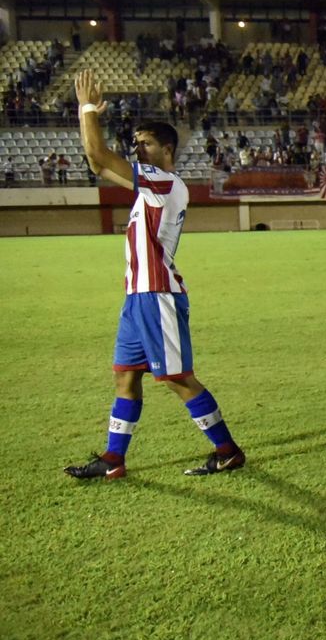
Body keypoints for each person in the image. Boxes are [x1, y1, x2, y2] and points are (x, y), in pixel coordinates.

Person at [64, 69, 247, 480]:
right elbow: (96, 162)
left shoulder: (164, 182)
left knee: (178, 378)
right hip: (137, 296)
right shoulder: (151, 187)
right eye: (134, 143)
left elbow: (99, 153)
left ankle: (227, 450)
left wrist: (88, 107)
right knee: (125, 376)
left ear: (168, 149)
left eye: (144, 143)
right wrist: (84, 115)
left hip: (157, 293)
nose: (136, 149)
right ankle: (113, 460)